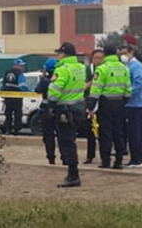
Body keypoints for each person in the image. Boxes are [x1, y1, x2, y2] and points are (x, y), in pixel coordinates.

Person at [47, 42, 86, 188]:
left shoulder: (62, 69)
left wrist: (51, 105)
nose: (57, 55)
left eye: (59, 53)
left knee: (66, 142)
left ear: (65, 54)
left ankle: (73, 175)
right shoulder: (81, 67)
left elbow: (54, 90)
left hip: (64, 110)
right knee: (71, 140)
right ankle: (72, 172)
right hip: (77, 109)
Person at [89, 46, 131, 169]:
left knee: (105, 133)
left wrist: (91, 105)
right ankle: (118, 161)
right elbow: (128, 89)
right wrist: (124, 101)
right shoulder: (124, 68)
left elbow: (96, 88)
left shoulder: (102, 69)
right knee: (119, 132)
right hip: (119, 103)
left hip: (105, 104)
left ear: (105, 55)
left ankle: (106, 161)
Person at [119, 45, 142, 168]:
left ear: (131, 52)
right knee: (132, 132)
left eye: (125, 53)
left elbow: (140, 83)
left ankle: (137, 159)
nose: (122, 56)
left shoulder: (136, 66)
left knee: (134, 132)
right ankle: (137, 157)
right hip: (131, 103)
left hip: (135, 104)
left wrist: (127, 94)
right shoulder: (128, 66)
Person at [82, 49, 104, 164]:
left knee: (103, 130)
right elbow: (84, 86)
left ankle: (104, 155)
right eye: (96, 58)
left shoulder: (105, 68)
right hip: (90, 101)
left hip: (103, 102)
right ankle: (90, 156)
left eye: (101, 58)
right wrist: (93, 82)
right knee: (90, 130)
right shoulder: (88, 69)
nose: (98, 60)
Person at [35, 58, 59, 165]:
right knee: (62, 134)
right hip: (59, 108)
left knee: (48, 135)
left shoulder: (45, 80)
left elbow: (37, 90)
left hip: (46, 109)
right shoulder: (59, 78)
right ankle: (65, 157)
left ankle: (51, 158)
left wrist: (43, 77)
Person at [1, 58, 29, 135]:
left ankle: (8, 130)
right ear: (17, 65)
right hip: (17, 97)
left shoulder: (7, 72)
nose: (22, 67)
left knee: (8, 114)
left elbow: (3, 85)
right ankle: (16, 130)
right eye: (21, 65)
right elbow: (22, 86)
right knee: (18, 114)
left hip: (8, 97)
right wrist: (28, 92)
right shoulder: (19, 74)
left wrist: (3, 94)